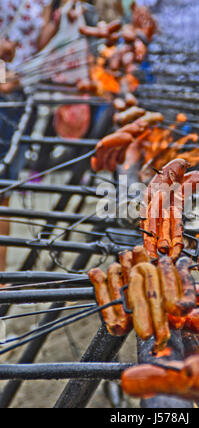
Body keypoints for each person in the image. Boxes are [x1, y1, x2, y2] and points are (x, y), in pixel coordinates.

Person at [0, 0, 60, 276]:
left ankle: (0, 277)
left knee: (4, 190)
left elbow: (40, 42)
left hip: (18, 95)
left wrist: (60, 19)